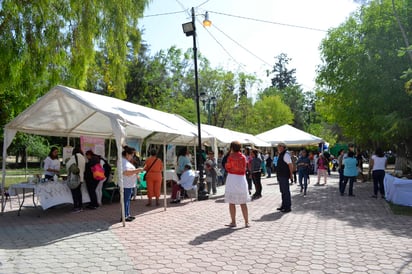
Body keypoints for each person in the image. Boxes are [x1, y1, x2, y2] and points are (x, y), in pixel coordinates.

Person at [224, 141, 250, 228]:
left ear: (232, 147)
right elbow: (244, 168)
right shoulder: (243, 157)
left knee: (232, 202)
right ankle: (246, 222)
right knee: (243, 202)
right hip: (241, 178)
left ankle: (233, 221)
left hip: (232, 178)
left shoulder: (230, 157)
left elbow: (227, 167)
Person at [121, 146, 142, 221]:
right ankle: (124, 215)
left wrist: (136, 172)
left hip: (129, 184)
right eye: (131, 155)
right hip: (126, 184)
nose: (132, 157)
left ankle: (127, 214)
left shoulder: (125, 161)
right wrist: (137, 171)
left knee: (127, 199)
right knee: (126, 200)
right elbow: (126, 173)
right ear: (127, 154)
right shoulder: (123, 161)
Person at [66, 146, 86, 213]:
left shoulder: (74, 157)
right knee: (79, 193)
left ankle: (76, 207)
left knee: (74, 193)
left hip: (74, 178)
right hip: (81, 178)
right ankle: (80, 207)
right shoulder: (83, 157)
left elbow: (68, 165)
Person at [276, 143, 293, 213]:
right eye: (278, 146)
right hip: (281, 175)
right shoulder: (281, 154)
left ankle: (287, 207)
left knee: (286, 191)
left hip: (284, 175)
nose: (278, 148)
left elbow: (290, 165)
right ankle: (284, 205)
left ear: (283, 147)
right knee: (283, 191)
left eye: (279, 146)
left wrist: (291, 174)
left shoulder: (286, 155)